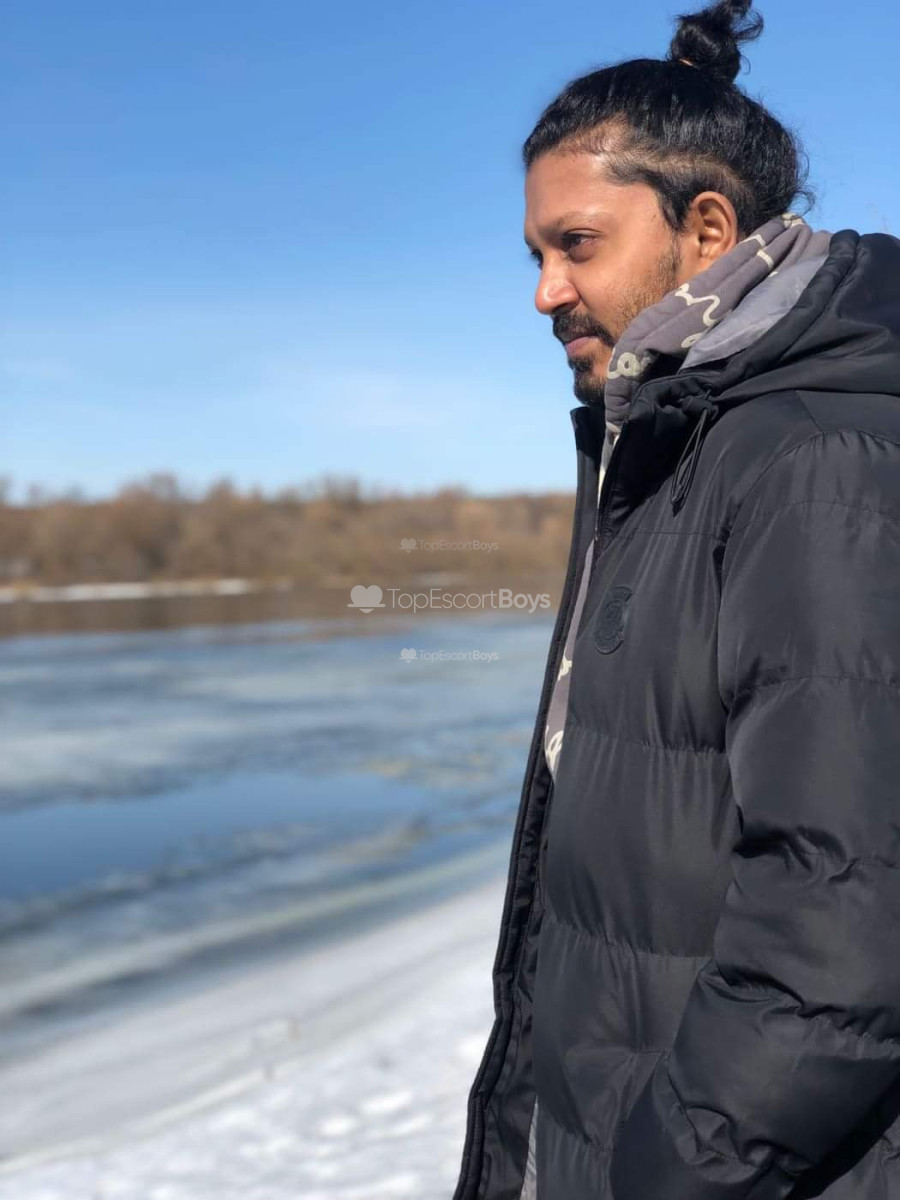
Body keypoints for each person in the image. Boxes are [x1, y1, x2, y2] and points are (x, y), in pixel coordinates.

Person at [452, 2, 900, 1198]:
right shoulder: (673, 442)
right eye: (535, 256)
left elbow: (846, 918)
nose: (546, 293)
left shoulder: (813, 463)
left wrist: (666, 1172)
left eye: (577, 245)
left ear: (706, 229)